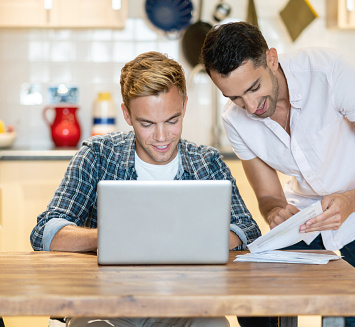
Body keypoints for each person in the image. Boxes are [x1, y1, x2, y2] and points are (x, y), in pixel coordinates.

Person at [200, 22, 355, 327]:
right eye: (234, 98)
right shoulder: (236, 121)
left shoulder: (331, 73)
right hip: (306, 216)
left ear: (272, 59)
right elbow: (269, 197)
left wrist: (354, 199)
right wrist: (274, 211)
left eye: (253, 88)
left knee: (352, 315)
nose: (250, 108)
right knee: (261, 305)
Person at [30, 51, 262, 327]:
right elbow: (45, 234)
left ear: (185, 107)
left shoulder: (206, 162)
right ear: (127, 115)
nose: (162, 137)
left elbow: (247, 229)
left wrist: (195, 241)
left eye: (172, 121)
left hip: (185, 306)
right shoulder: (98, 155)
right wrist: (111, 238)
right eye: (147, 124)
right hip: (107, 306)